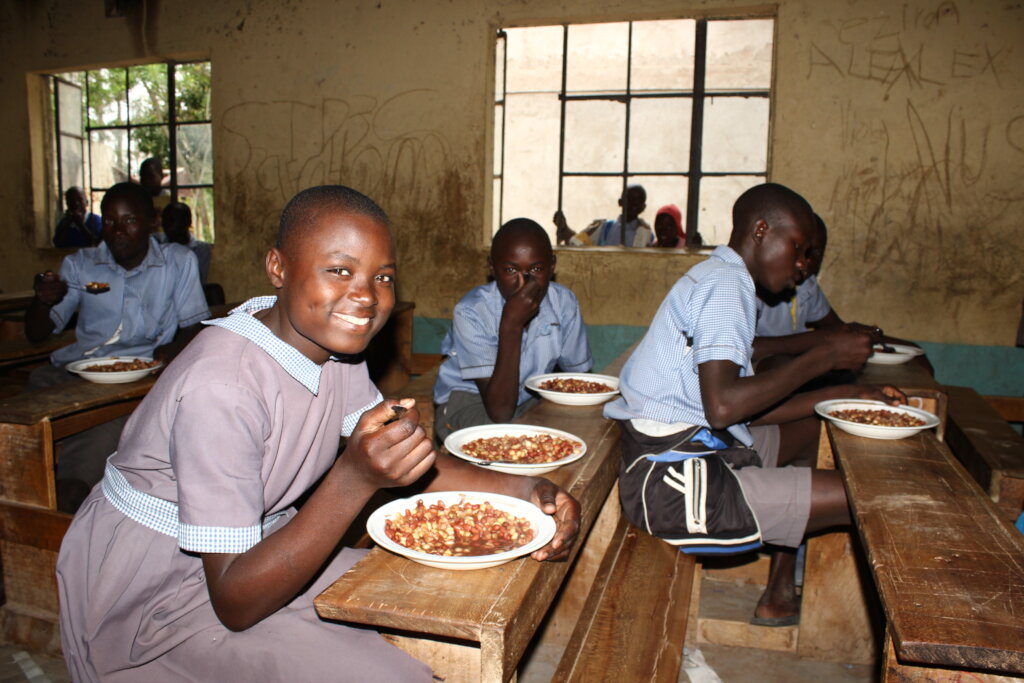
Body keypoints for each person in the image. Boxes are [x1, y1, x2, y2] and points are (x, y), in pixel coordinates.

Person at [56, 185, 581, 682]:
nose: (367, 297)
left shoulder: (331, 349)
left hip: (259, 547)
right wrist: (353, 479)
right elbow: (235, 604)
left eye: (383, 277)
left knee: (446, 586)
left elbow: (407, 455)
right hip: (156, 588)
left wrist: (525, 489)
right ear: (278, 267)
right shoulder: (225, 385)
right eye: (339, 270)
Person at [603, 183, 905, 626]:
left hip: (692, 452)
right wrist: (823, 357)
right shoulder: (727, 287)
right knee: (868, 497)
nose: (803, 267)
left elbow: (738, 407)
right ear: (761, 230)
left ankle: (782, 571)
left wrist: (840, 395)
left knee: (814, 429)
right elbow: (725, 407)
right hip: (674, 484)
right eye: (798, 249)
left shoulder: (723, 277)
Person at [26, 181, 209, 512]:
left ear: (151, 221)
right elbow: (37, 334)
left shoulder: (176, 262)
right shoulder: (81, 265)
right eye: (109, 222)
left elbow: (195, 327)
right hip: (71, 376)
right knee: (27, 421)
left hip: (133, 384)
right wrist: (42, 302)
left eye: (129, 220)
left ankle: (71, 492)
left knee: (83, 462)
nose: (117, 231)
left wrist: (168, 353)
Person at [433, 217, 593, 442]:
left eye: (536, 268)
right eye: (510, 269)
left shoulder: (563, 303)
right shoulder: (471, 311)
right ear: (492, 267)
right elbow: (499, 412)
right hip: (472, 402)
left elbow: (576, 381)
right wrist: (511, 325)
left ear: (552, 266)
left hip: (529, 398)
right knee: (514, 442)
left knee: (576, 432)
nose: (524, 283)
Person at [753, 214, 932, 374]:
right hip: (764, 373)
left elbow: (836, 327)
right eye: (800, 251)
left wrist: (908, 346)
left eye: (814, 252)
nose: (805, 262)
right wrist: (823, 339)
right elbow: (751, 349)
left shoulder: (806, 285)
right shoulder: (754, 287)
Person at [553, 184, 653, 247]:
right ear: (620, 202)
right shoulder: (604, 227)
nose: (634, 205)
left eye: (639, 201)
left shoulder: (647, 234)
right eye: (630, 199)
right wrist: (564, 227)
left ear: (643, 206)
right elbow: (577, 242)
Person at [161, 201, 212, 285]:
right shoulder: (157, 244)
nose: (165, 224)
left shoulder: (201, 249)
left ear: (187, 222)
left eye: (172, 220)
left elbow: (195, 282)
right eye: (164, 219)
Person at [139, 157, 171, 221]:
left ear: (161, 176)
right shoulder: (137, 200)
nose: (146, 181)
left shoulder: (169, 199)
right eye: (143, 176)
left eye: (151, 177)